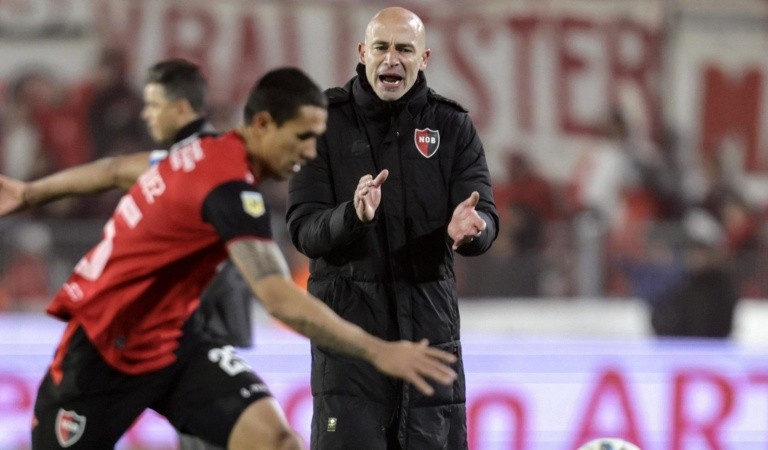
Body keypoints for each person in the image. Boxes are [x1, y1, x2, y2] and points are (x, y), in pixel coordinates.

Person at [1, 67, 457, 449]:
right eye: (301, 136)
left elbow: (118, 168)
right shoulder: (230, 189)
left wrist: (30, 192)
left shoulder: (202, 151)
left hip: (173, 342)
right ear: (262, 124)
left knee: (279, 442)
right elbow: (277, 298)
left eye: (317, 138)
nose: (310, 152)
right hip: (102, 352)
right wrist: (379, 351)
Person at [0, 58, 254, 450]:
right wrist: (31, 193)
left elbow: (118, 170)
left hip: (185, 326)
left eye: (153, 105)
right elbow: (116, 170)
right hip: (177, 328)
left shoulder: (205, 165)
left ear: (181, 108)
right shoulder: (186, 160)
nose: (145, 114)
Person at [286, 7, 498, 449]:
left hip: (429, 335)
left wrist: (473, 229)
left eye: (405, 49)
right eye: (381, 47)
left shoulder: (451, 126)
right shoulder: (322, 123)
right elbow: (303, 228)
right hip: (349, 346)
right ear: (363, 53)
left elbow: (485, 214)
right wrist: (353, 215)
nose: (391, 59)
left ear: (425, 58)